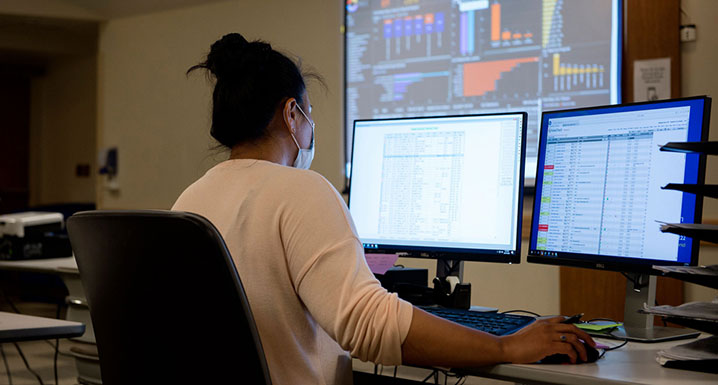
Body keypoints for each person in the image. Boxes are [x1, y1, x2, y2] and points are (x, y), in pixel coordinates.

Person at [173, 33, 595, 385]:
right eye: (309, 114)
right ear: (291, 114)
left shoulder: (190, 200)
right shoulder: (300, 190)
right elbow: (370, 324)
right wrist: (507, 344)